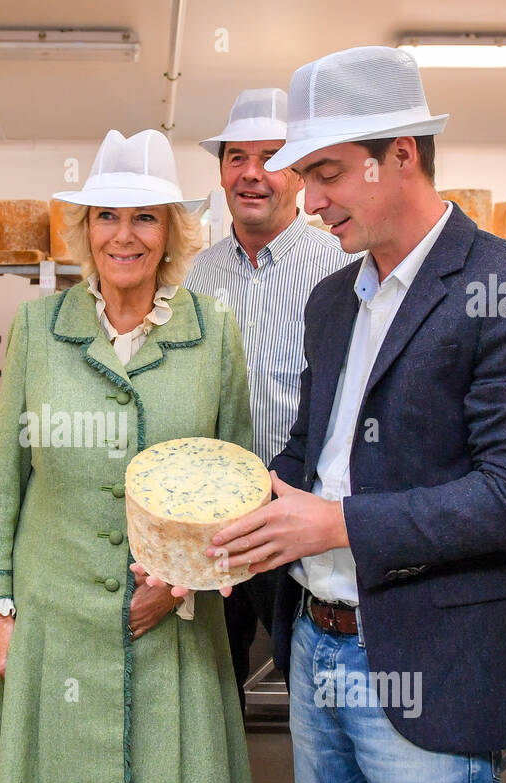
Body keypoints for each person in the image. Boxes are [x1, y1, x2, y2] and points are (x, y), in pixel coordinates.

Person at [185, 46, 506, 783]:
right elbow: (311, 450)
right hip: (315, 646)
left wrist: (334, 525)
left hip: (426, 660)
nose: (312, 198)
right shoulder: (335, 298)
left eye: (329, 172)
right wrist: (242, 504)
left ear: (400, 155)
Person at [0, 128, 259, 783]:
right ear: (84, 229)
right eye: (106, 216)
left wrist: (182, 585)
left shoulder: (215, 332)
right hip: (53, 611)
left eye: (145, 217)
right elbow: (6, 476)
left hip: (173, 624)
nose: (122, 236)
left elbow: (238, 486)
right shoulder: (38, 327)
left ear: (173, 235)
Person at [186, 88, 358, 710]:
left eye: (271, 156)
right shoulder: (194, 276)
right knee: (211, 675)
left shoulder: (340, 266)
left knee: (314, 671)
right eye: (237, 158)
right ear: (222, 172)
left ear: (299, 171)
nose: (252, 173)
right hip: (215, 514)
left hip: (302, 507)